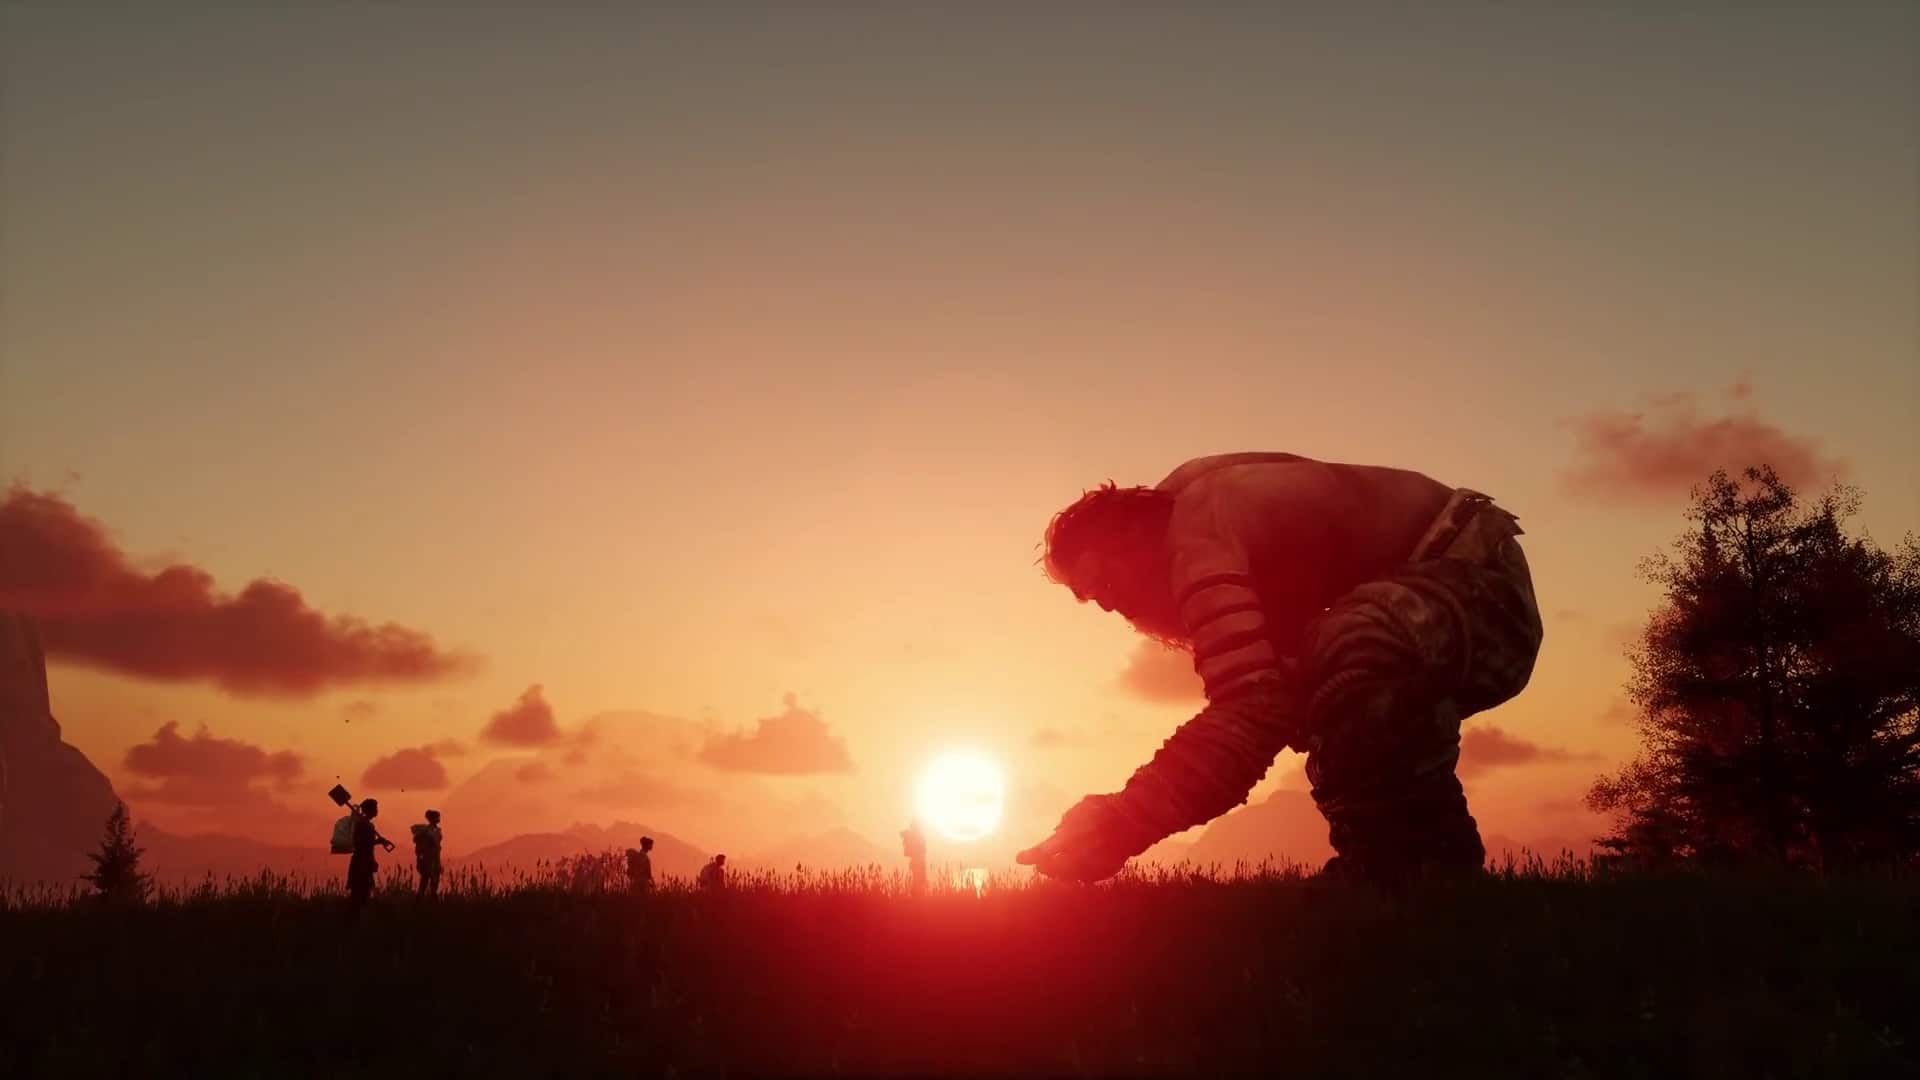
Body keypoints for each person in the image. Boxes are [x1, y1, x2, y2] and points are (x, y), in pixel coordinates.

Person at [1016, 452, 1543, 889]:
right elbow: (1273, 705)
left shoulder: (1199, 532)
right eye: (1093, 600)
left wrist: (1123, 821)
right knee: (1319, 676)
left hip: (1483, 598)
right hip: (1457, 603)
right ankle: (1403, 866)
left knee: (1347, 646)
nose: (1111, 607)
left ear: (1130, 539)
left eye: (1106, 582)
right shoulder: (1197, 508)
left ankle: (1408, 864)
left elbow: (1251, 711)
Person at [347, 797, 396, 921]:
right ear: (370, 810)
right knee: (359, 894)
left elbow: (367, 844)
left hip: (364, 862)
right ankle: (354, 921)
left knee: (363, 894)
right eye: (375, 808)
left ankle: (357, 920)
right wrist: (375, 845)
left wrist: (378, 842)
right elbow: (361, 844)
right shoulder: (362, 824)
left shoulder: (367, 824)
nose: (377, 810)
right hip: (361, 863)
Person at [411, 809, 444, 899]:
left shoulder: (434, 830)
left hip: (433, 859)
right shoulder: (428, 832)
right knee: (427, 880)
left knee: (430, 880)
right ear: (433, 818)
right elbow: (423, 847)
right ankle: (424, 899)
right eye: (437, 817)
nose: (439, 819)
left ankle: (426, 899)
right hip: (429, 859)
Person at [900, 820, 928, 894]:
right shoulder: (919, 836)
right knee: (918, 882)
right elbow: (923, 850)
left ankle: (917, 897)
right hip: (918, 862)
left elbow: (922, 850)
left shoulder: (917, 837)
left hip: (918, 862)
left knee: (918, 882)